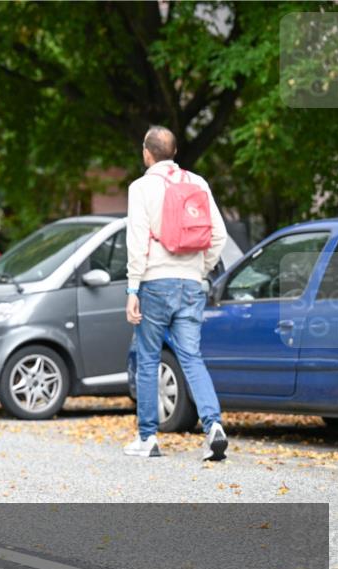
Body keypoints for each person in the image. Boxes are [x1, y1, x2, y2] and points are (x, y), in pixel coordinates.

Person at [124, 126, 228, 461]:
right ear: (175, 151)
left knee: (148, 357)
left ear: (147, 152)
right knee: (191, 357)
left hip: (155, 281)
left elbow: (138, 240)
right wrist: (200, 269)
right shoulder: (198, 183)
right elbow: (219, 236)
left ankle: (148, 437)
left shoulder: (141, 188)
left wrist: (132, 288)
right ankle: (213, 427)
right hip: (190, 283)